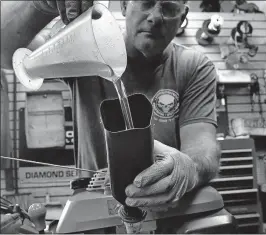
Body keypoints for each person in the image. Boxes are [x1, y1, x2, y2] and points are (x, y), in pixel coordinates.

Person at [1, 0, 220, 210]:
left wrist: (189, 170)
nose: (154, 17)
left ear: (183, 16)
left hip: (167, 209)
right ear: (124, 5)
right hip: (95, 207)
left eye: (169, 7)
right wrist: (38, 4)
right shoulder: (84, 52)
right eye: (146, 2)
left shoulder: (194, 67)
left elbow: (203, 149)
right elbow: (5, 51)